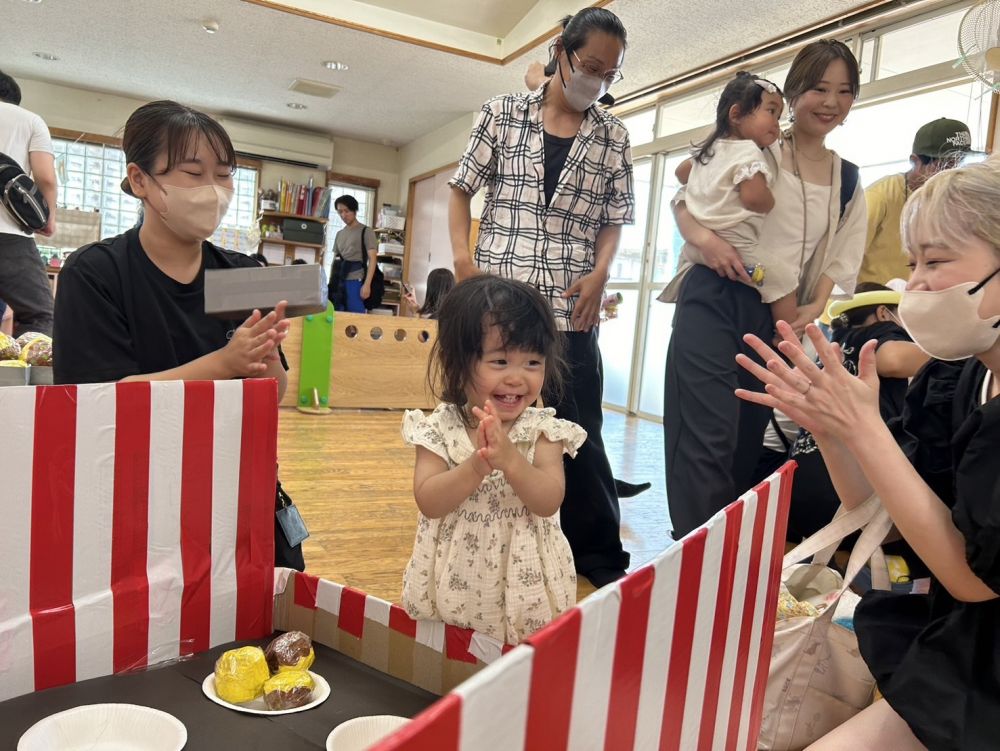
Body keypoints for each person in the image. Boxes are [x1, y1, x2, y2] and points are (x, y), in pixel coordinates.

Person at [737, 159, 1000, 751]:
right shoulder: (957, 381)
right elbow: (887, 523)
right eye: (912, 265)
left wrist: (866, 430)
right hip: (949, 645)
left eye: (936, 262)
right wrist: (833, 432)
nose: (916, 285)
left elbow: (974, 580)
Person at [51, 100, 301, 570]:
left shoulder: (244, 272)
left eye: (224, 175)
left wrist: (262, 356)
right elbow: (98, 402)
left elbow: (273, 392)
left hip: (232, 489)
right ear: (141, 180)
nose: (213, 191)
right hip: (132, 497)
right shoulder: (97, 273)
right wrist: (224, 364)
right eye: (193, 172)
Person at [448, 7, 633, 586]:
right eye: (590, 66)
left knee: (580, 430)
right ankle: (472, 536)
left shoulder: (613, 135)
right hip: (497, 304)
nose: (596, 82)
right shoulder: (501, 114)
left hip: (571, 304)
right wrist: (462, 260)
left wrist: (602, 272)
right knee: (483, 420)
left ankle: (599, 555)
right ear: (561, 52)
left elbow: (613, 219)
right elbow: (461, 192)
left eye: (610, 74)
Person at [663, 39, 867, 539]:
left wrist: (816, 302)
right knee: (705, 437)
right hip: (715, 294)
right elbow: (682, 196)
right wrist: (704, 239)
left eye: (844, 91)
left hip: (775, 315)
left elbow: (840, 251)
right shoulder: (754, 145)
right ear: (795, 92)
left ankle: (723, 567)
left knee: (743, 442)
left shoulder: (847, 178)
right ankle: (693, 563)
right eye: (819, 87)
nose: (830, 102)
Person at [401, 275, 584, 644]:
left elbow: (548, 501)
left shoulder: (542, 430)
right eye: (500, 361)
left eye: (533, 362)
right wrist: (477, 466)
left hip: (527, 588)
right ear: (458, 363)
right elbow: (429, 500)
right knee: (454, 655)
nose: (518, 378)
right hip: (457, 580)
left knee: (521, 669)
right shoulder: (439, 427)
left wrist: (511, 461)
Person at [784, 283, 928, 541]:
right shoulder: (878, 334)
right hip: (846, 486)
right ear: (884, 313)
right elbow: (893, 359)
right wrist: (958, 350)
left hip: (797, 480)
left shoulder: (831, 350)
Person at [664, 71, 799, 337]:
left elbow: (681, 173)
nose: (776, 123)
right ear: (736, 115)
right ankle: (788, 342)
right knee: (784, 282)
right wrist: (771, 199)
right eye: (771, 112)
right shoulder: (748, 151)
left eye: (779, 116)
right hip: (739, 250)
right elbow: (754, 199)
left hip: (695, 250)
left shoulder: (711, 150)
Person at [858, 118, 972, 286]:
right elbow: (841, 262)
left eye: (959, 163)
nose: (952, 173)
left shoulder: (953, 203)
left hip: (918, 301)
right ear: (915, 161)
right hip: (871, 304)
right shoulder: (879, 196)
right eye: (945, 164)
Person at [0, 69, 57, 337]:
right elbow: (45, 178)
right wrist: (48, 220)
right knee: (41, 315)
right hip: (9, 237)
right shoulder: (30, 121)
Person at [329, 195, 377, 313]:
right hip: (339, 280)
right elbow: (335, 260)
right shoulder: (339, 234)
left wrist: (367, 285)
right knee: (338, 316)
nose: (343, 215)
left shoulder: (366, 231)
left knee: (356, 318)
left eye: (347, 211)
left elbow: (373, 259)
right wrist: (331, 282)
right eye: (340, 212)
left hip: (356, 280)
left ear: (354, 210)